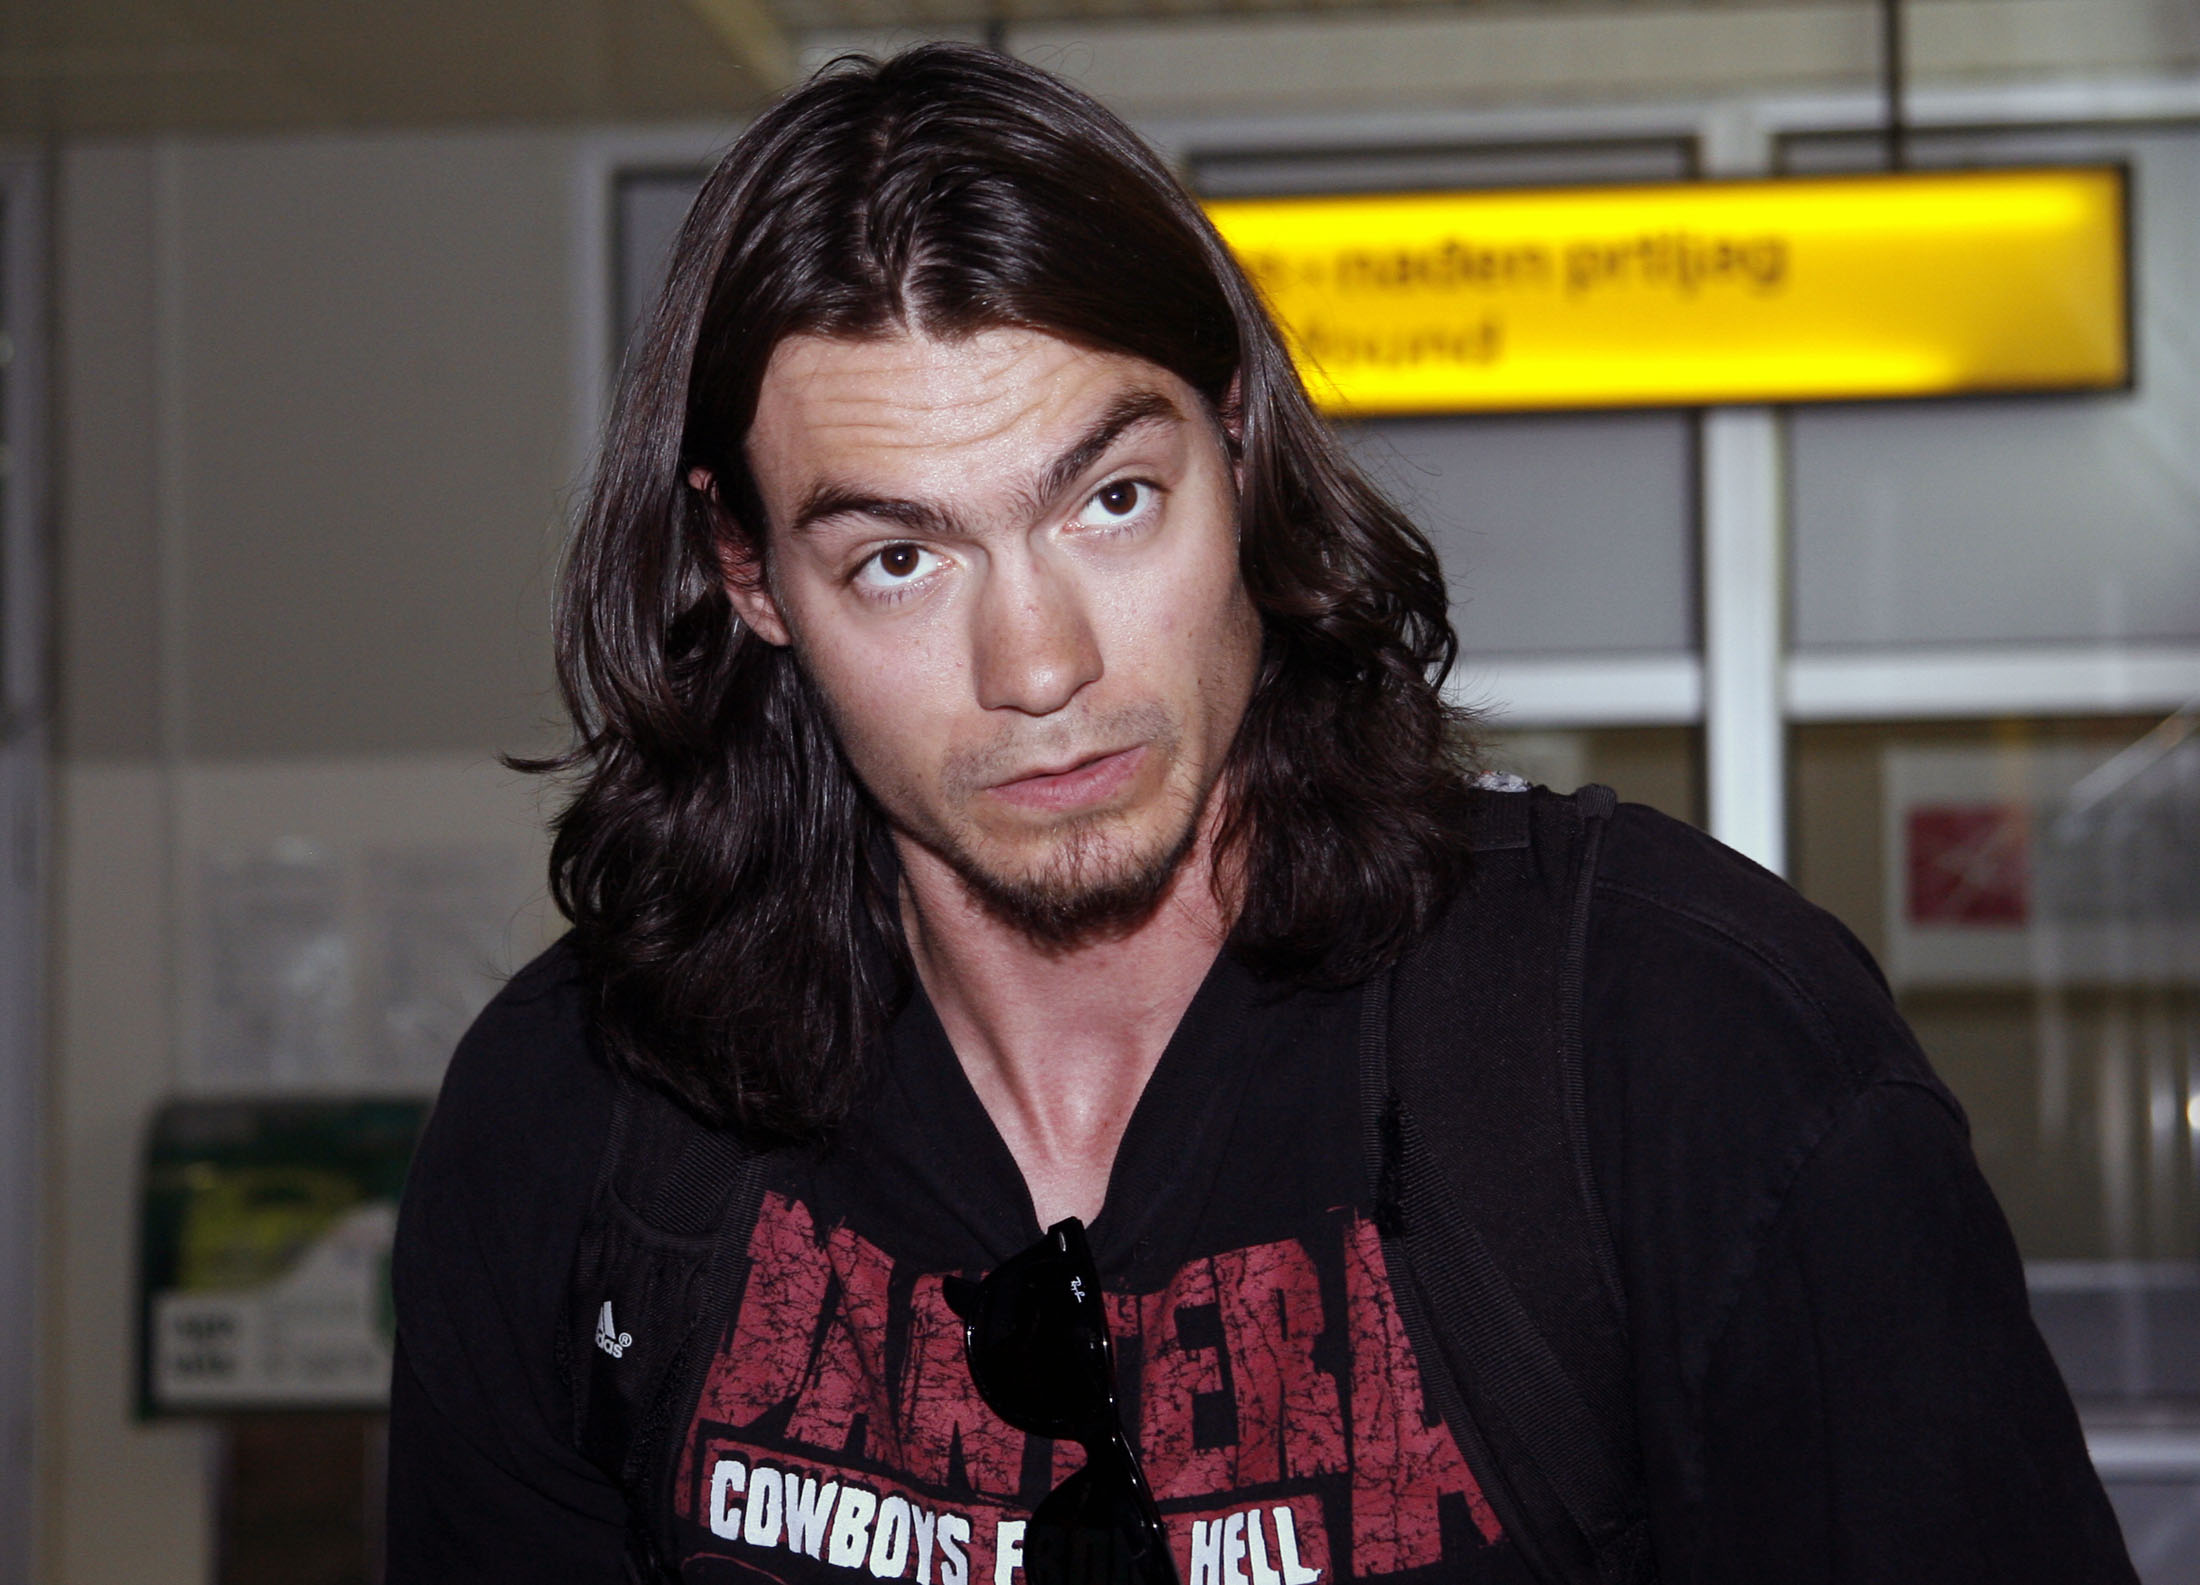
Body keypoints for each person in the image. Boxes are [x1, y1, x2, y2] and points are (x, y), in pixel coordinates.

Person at [386, 43, 2136, 1585]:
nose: (1040, 663)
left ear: (1238, 445)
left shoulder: (1686, 1048)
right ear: (749, 574)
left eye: (1112, 499)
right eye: (900, 558)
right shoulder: (579, 1120)